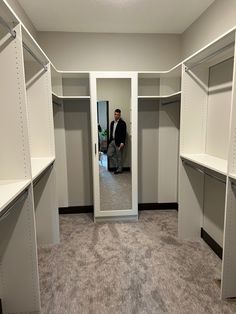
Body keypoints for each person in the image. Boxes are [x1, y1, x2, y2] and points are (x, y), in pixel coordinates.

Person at [107, 109, 126, 174]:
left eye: (118, 114)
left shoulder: (123, 123)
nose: (116, 115)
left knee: (119, 156)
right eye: (115, 114)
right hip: (112, 141)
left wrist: (122, 142)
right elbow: (111, 132)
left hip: (119, 142)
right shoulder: (112, 123)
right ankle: (117, 165)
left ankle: (119, 169)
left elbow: (124, 133)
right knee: (109, 154)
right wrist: (110, 141)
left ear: (120, 115)